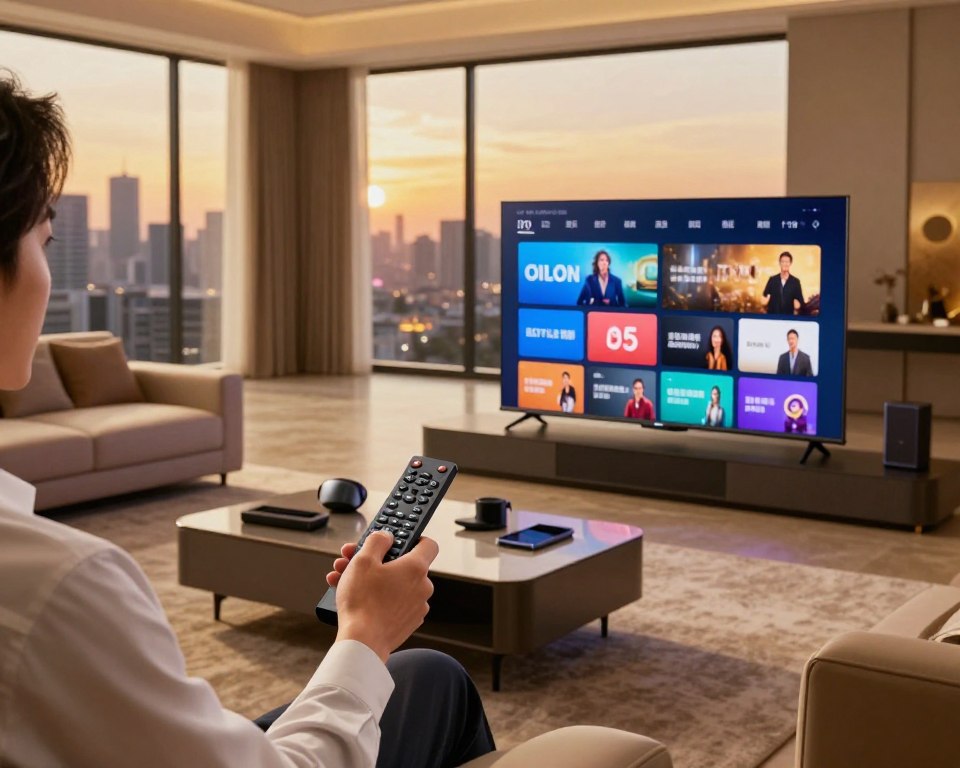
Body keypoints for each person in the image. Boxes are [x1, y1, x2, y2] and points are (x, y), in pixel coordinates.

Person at [0, 73, 495, 768]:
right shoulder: (58, 587)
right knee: (435, 681)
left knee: (429, 675)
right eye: (45, 241)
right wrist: (364, 633)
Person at [761, 251, 804, 315]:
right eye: (783, 261)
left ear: (790, 263)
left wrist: (798, 306)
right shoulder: (772, 280)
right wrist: (765, 301)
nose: (785, 264)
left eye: (787, 262)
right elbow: (764, 297)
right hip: (773, 316)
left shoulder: (795, 282)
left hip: (788, 317)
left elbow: (801, 302)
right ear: (779, 263)